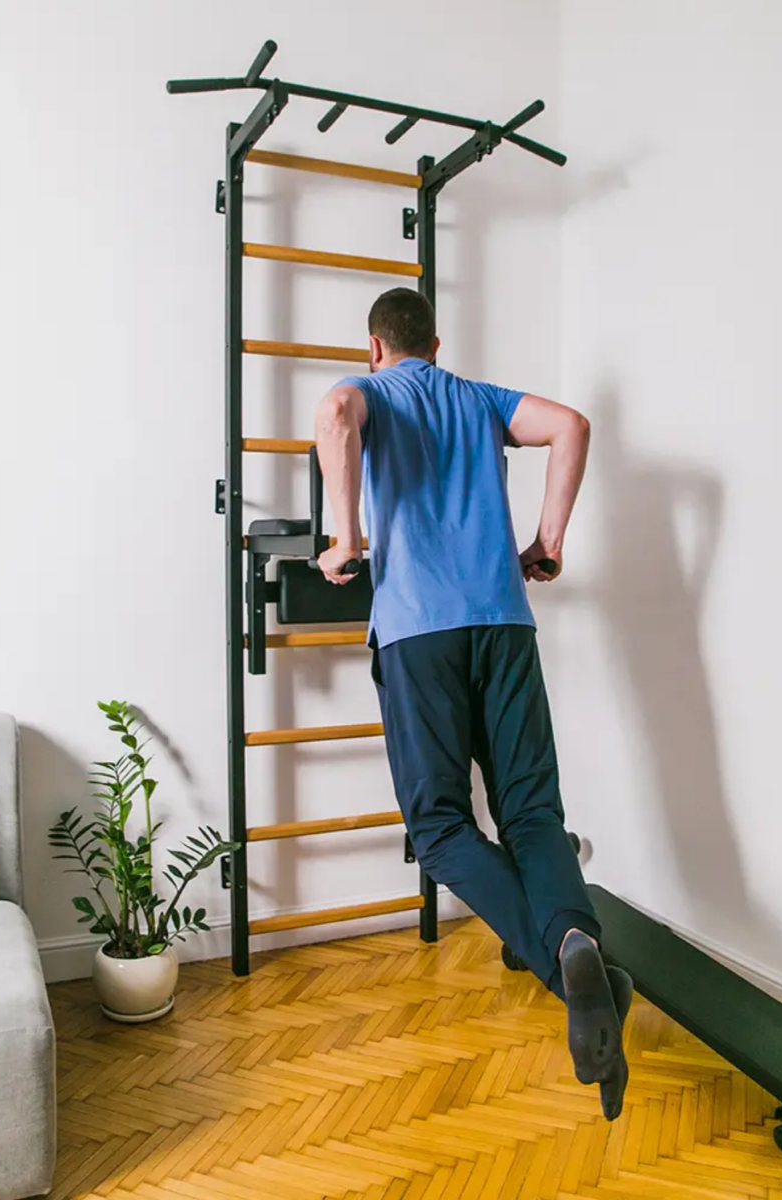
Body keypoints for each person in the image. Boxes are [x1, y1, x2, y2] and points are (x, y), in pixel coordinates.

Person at [314, 286, 632, 1118]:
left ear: (375, 347)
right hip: (504, 624)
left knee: (442, 827)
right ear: (435, 343)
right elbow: (572, 426)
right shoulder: (477, 399)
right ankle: (572, 935)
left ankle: (555, 957)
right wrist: (549, 544)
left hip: (420, 638)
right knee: (531, 812)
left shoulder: (373, 391)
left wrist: (346, 540)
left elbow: (336, 412)